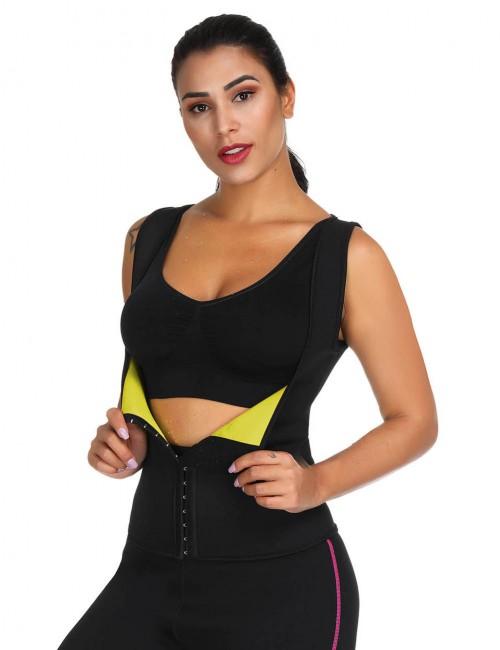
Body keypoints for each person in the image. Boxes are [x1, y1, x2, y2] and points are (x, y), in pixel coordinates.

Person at [57, 13, 438, 650]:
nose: (224, 126)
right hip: (146, 573)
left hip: (282, 584)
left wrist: (316, 482)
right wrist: (128, 441)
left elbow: (415, 420)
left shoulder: (346, 257)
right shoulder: (148, 238)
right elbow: (161, 380)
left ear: (286, 96)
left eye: (243, 95)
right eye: (199, 106)